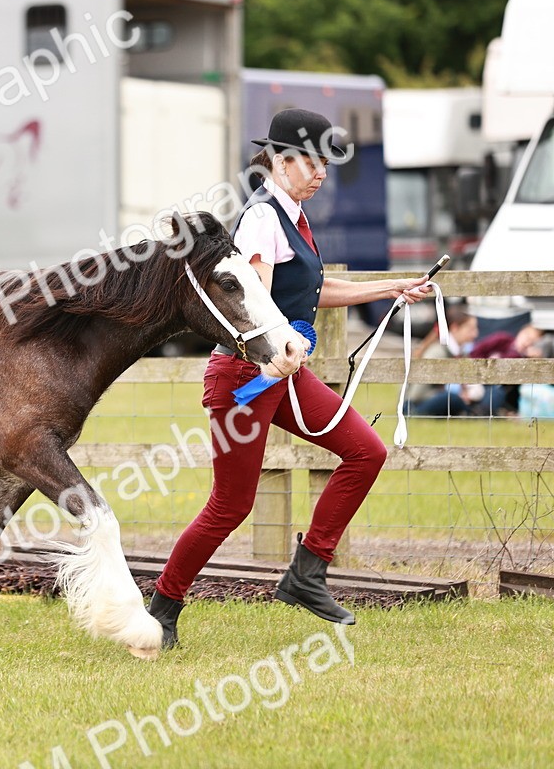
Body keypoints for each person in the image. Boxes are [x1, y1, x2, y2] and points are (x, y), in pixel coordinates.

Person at [147, 109, 433, 649]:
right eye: (311, 161)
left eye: (325, 163)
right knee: (230, 506)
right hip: (248, 375)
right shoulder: (263, 218)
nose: (321, 172)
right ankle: (163, 606)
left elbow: (311, 292)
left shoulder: (293, 216)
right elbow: (255, 301)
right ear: (279, 161)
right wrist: (279, 354)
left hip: (283, 370)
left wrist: (390, 288)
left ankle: (307, 573)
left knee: (366, 452)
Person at [406, 307, 483, 417]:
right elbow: (416, 395)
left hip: (448, 398)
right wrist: (453, 394)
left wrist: (468, 394)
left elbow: (473, 385)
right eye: (471, 329)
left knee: (493, 393)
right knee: (451, 398)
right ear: (455, 328)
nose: (475, 334)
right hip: (416, 405)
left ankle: (473, 412)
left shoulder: (462, 352)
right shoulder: (437, 353)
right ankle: (471, 413)